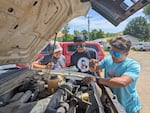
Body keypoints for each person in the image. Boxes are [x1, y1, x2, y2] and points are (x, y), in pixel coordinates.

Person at [82, 37, 141, 113]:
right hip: (112, 102)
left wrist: (97, 80)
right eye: (111, 51)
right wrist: (91, 64)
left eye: (116, 53)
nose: (113, 55)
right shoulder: (108, 60)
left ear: (127, 53)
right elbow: (94, 69)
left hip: (128, 106)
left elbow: (122, 82)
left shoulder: (133, 65)